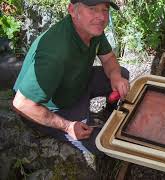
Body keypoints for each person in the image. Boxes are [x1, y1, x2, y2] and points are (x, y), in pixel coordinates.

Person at [12, 0, 129, 155]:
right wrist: (68, 126)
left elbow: (108, 59)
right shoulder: (55, 52)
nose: (101, 17)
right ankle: (63, 128)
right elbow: (21, 104)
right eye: (92, 9)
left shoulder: (92, 29)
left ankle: (106, 114)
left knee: (122, 74)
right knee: (103, 143)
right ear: (72, 10)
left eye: (105, 10)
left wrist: (115, 77)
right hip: (54, 106)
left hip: (77, 81)